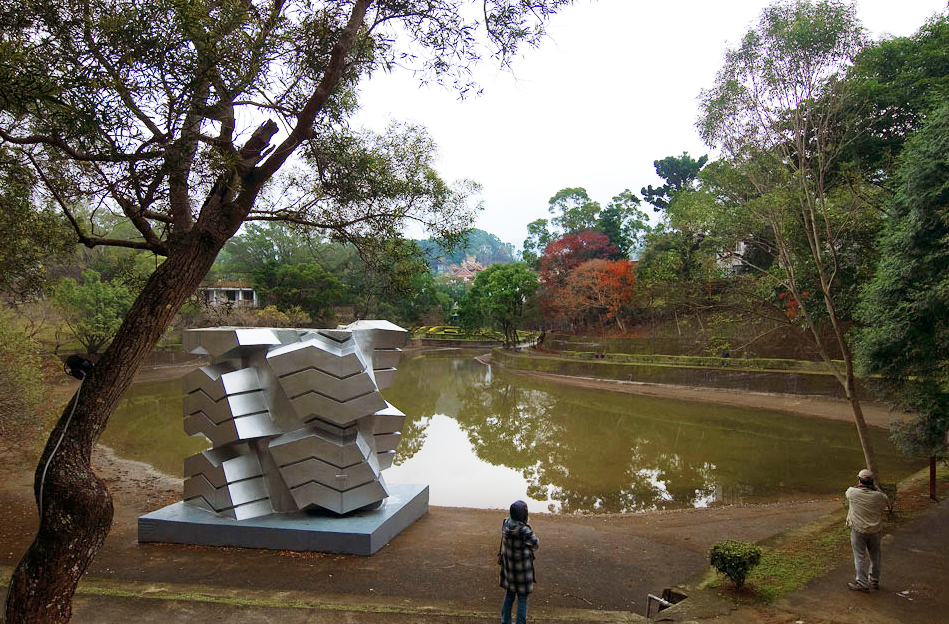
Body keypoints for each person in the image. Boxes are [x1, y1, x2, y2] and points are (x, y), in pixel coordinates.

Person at [845, 468, 889, 592]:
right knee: (875, 556)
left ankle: (862, 583)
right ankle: (874, 581)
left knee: (859, 556)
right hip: (875, 530)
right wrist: (874, 487)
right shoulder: (879, 496)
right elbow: (885, 499)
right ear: (872, 482)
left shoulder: (852, 493)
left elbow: (850, 490)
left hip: (858, 530)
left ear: (859, 479)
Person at [498, 500, 539, 624]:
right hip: (522, 570)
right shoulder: (524, 530)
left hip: (509, 567)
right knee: (522, 598)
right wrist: (527, 525)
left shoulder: (505, 523)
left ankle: (505, 621)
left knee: (509, 595)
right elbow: (536, 544)